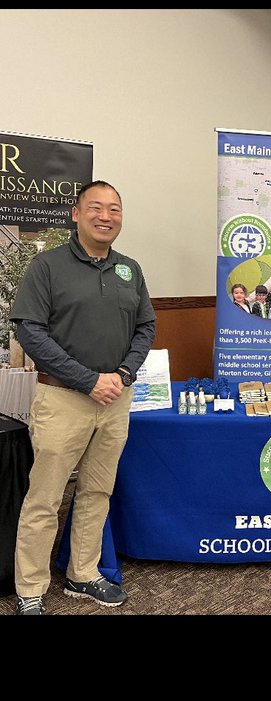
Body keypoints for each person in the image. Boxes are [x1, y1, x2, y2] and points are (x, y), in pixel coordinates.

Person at [9, 180, 156, 616]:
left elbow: (145, 327)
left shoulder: (130, 269)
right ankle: (30, 589)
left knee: (97, 491)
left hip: (116, 400)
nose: (105, 216)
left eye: (114, 209)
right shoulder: (47, 266)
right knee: (45, 498)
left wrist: (124, 374)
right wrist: (88, 379)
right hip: (62, 400)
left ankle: (83, 573)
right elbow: (29, 331)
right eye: (95, 207)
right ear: (76, 214)